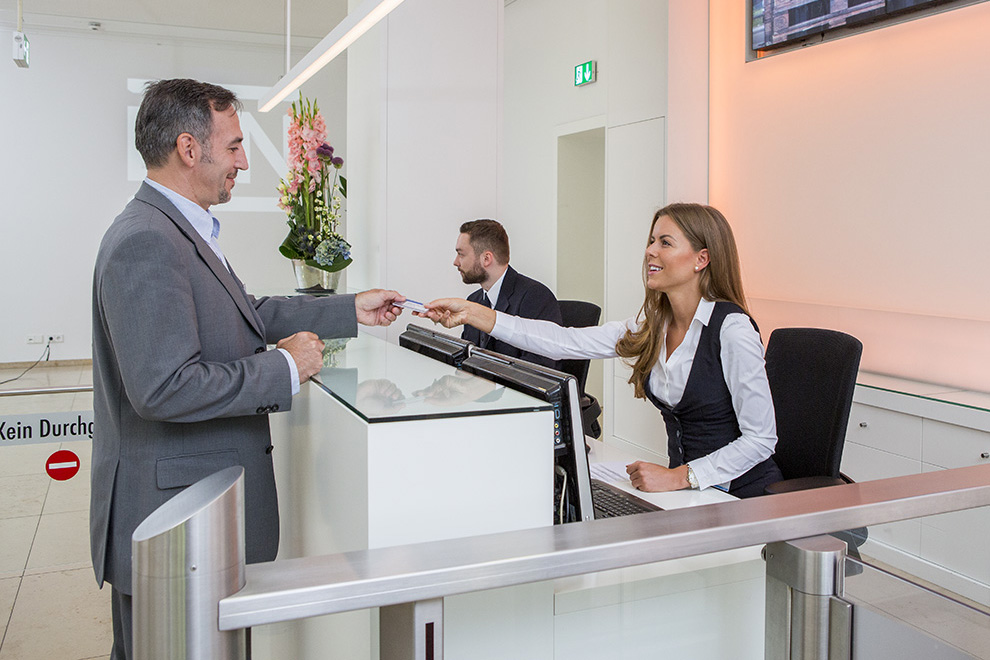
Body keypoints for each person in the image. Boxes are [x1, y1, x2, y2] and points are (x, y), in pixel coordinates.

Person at [90, 79, 404, 660]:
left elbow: (244, 312)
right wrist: (283, 367)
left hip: (193, 523)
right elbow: (163, 388)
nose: (243, 162)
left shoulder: (177, 229)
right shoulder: (147, 241)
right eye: (234, 146)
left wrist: (347, 309)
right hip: (175, 524)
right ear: (189, 149)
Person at [422, 203, 782, 499]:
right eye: (651, 240)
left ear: (701, 259)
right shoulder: (652, 326)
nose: (650, 251)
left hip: (742, 498)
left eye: (665, 243)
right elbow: (563, 341)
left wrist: (680, 476)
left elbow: (761, 439)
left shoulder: (732, 329)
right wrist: (474, 314)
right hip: (690, 495)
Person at [453, 219, 562, 369]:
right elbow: (466, 358)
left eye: (461, 254)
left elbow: (537, 369)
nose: (456, 262)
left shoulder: (536, 297)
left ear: (486, 259)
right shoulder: (474, 300)